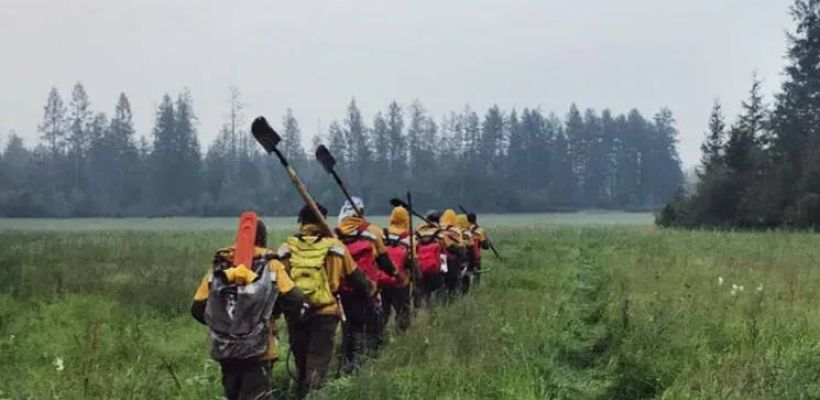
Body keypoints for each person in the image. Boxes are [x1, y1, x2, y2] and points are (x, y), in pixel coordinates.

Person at [191, 214, 309, 400]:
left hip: (226, 350)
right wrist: (273, 314)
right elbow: (295, 300)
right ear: (263, 238)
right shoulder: (271, 265)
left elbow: (197, 308)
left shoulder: (220, 265)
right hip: (259, 350)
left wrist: (225, 326)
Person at [276, 203, 374, 396]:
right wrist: (370, 291)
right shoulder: (336, 247)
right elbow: (357, 278)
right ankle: (313, 393)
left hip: (297, 313)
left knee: (301, 361)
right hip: (325, 313)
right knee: (318, 361)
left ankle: (300, 391)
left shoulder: (286, 248)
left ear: (301, 221)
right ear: (323, 221)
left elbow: (278, 281)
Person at [334, 196, 406, 374]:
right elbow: (384, 260)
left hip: (342, 291)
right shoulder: (372, 232)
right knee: (371, 328)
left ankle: (346, 365)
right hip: (368, 289)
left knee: (348, 327)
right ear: (362, 213)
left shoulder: (335, 234)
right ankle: (368, 364)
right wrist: (397, 275)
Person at [379, 205, 415, 337]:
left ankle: (379, 335)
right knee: (402, 311)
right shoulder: (408, 238)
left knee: (383, 311)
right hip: (401, 281)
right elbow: (412, 262)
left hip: (382, 281)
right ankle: (401, 336)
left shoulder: (381, 234)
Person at [414, 210, 454, 307]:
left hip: (420, 268)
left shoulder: (418, 233)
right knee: (439, 288)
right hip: (436, 268)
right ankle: (438, 307)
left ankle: (421, 307)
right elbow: (445, 251)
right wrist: (444, 270)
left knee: (423, 291)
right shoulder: (440, 234)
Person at [439, 209, 468, 300]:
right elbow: (461, 246)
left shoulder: (439, 230)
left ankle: (442, 296)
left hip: (442, 258)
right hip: (453, 259)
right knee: (452, 280)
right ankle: (451, 298)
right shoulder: (455, 231)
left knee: (443, 277)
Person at [456, 213, 478, 294]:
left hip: (452, 260)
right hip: (464, 260)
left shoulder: (451, 232)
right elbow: (472, 249)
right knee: (465, 278)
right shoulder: (467, 233)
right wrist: (473, 264)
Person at [467, 212, 491, 286]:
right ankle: (475, 291)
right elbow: (486, 246)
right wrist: (487, 240)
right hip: (476, 258)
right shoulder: (480, 231)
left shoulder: (463, 229)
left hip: (464, 258)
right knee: (476, 278)